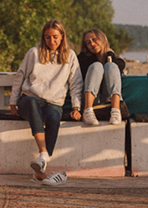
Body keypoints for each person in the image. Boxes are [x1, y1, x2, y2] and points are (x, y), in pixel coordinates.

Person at [9, 19, 82, 186]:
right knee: (33, 104)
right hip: (29, 99)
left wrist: (77, 106)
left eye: (55, 37)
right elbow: (19, 77)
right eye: (47, 37)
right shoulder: (34, 53)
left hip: (54, 102)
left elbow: (76, 83)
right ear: (43, 37)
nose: (52, 41)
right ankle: (44, 154)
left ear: (62, 36)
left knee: (54, 117)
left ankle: (40, 171)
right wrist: (13, 103)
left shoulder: (70, 56)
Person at [77, 28, 126, 126]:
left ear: (102, 38)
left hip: (108, 102)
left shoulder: (118, 61)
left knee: (111, 66)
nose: (92, 43)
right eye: (88, 42)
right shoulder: (83, 59)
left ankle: (116, 111)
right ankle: (87, 111)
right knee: (97, 66)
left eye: (94, 39)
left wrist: (109, 54)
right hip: (90, 102)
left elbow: (118, 68)